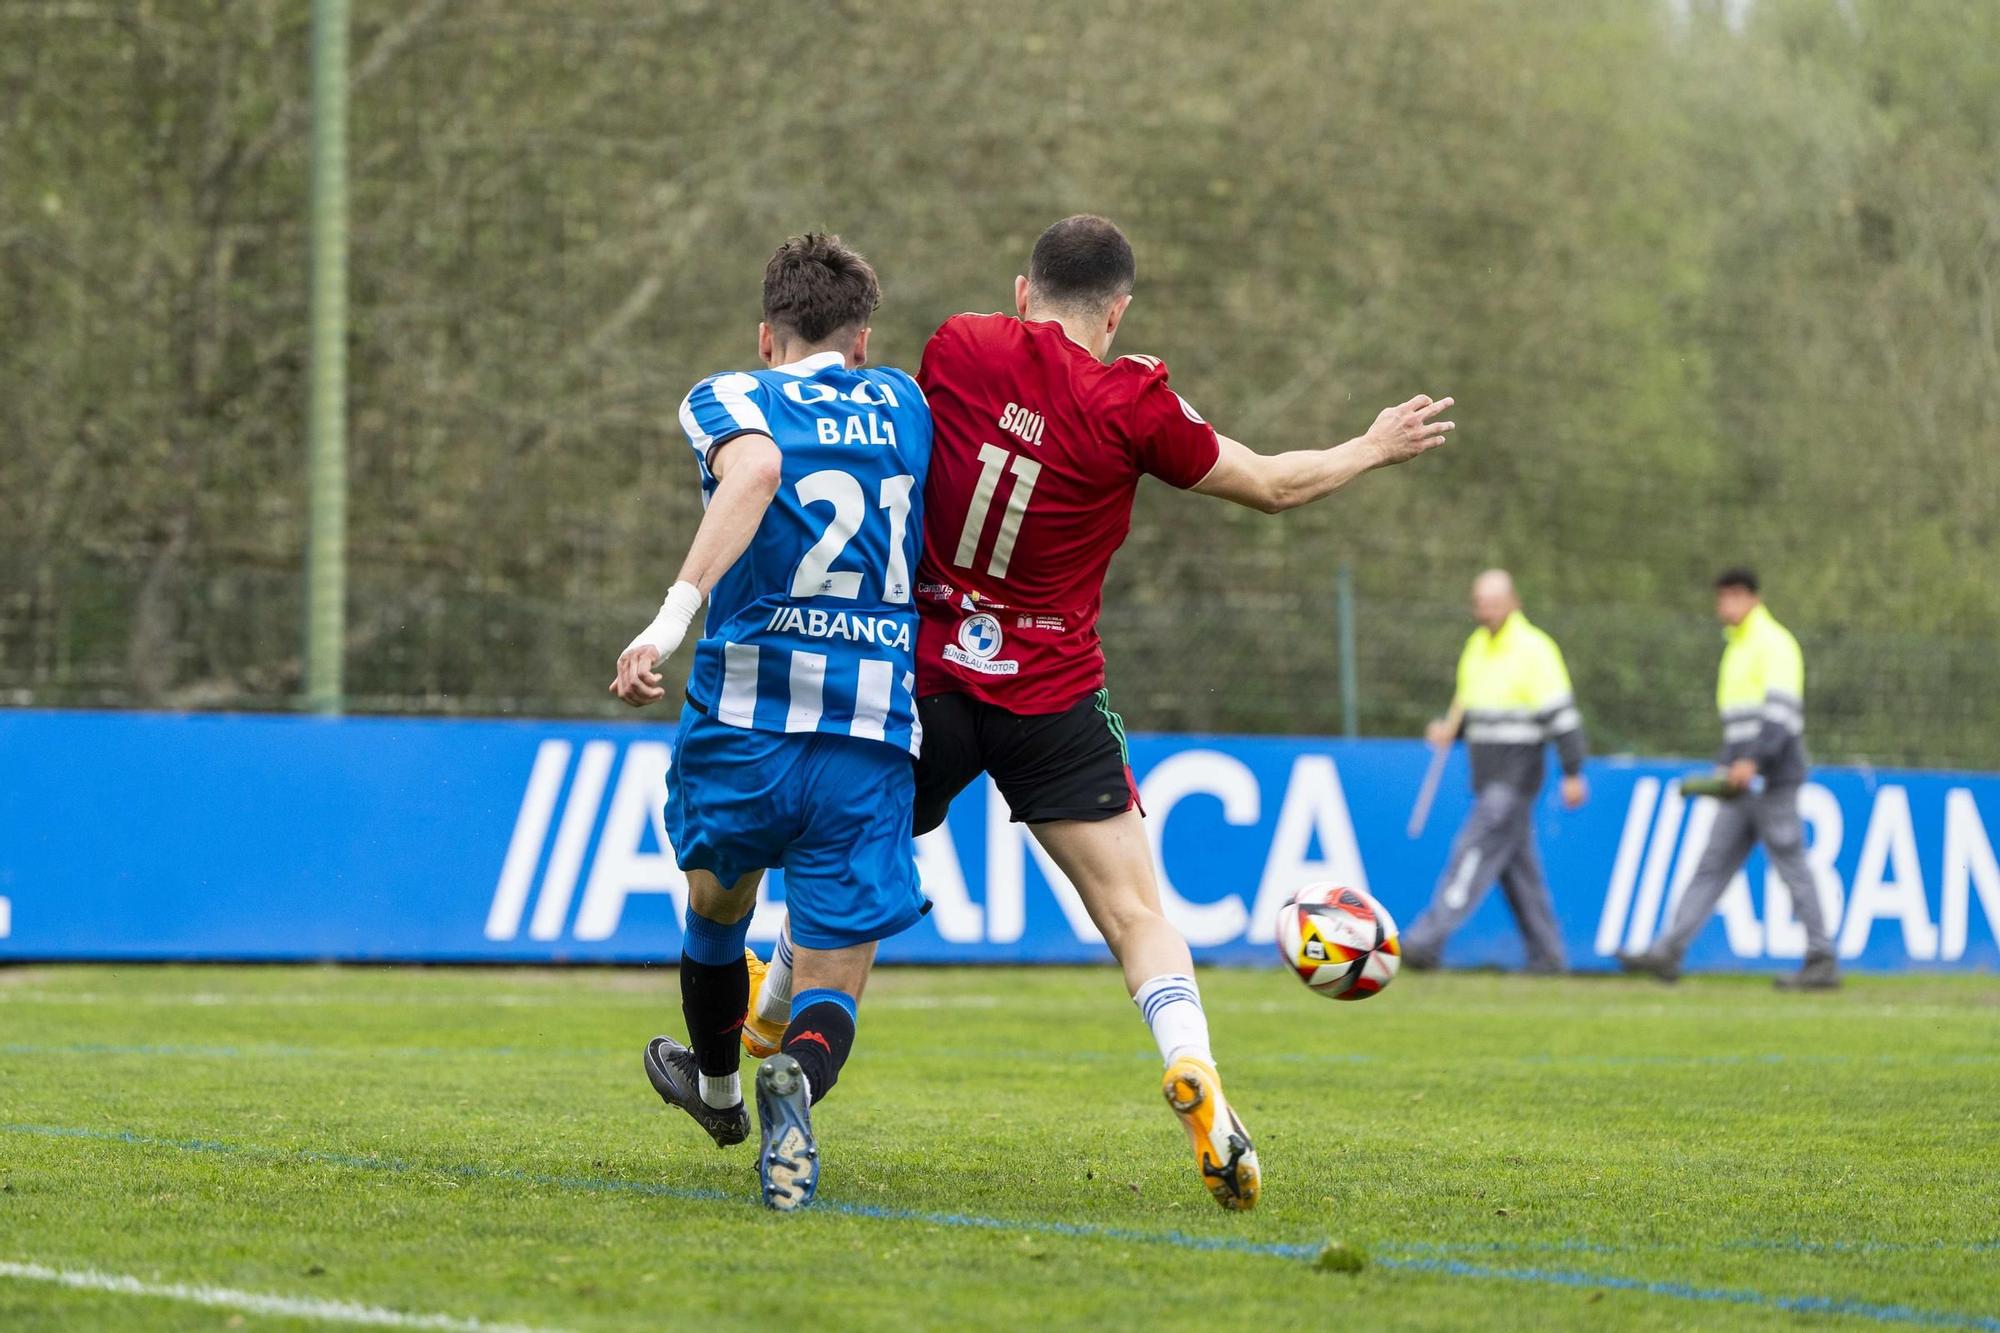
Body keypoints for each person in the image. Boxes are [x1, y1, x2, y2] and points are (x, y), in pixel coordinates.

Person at [743, 215, 1454, 1211]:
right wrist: (1371, 448)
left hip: (929, 673)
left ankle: (774, 1028)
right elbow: (1275, 486)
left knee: (845, 882)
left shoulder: (959, 344)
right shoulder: (1137, 403)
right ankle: (1191, 1065)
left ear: (1021, 289)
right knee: (1135, 916)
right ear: (1115, 313)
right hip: (1052, 690)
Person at [609, 234, 934, 1210]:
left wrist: (668, 619)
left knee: (716, 908)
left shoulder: (731, 395)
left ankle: (714, 1091)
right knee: (833, 962)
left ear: (766, 333)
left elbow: (750, 474)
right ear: (863, 339)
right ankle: (793, 1078)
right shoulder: (906, 403)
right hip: (869, 725)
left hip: (746, 721)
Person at [1620, 569, 1839, 989]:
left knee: (1791, 867)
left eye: (1726, 599)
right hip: (1740, 782)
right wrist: (1728, 763)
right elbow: (1737, 725)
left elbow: (1781, 716)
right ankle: (1669, 952)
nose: (1721, 608)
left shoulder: (1774, 643)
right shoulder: (1735, 649)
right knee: (1711, 866)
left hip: (1772, 780)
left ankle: (1821, 958)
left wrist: (1753, 762)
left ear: (1746, 597)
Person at [1400, 570, 1588, 973]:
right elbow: (1477, 709)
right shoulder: (1476, 647)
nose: (1483, 609)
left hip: (1516, 777)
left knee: (1472, 851)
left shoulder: (1534, 649)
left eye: (1491, 601)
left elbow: (1562, 715)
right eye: (1478, 602)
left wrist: (1573, 771)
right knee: (1518, 872)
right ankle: (1548, 956)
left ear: (1512, 601)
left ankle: (1425, 941)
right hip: (1485, 776)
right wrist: (1451, 729)